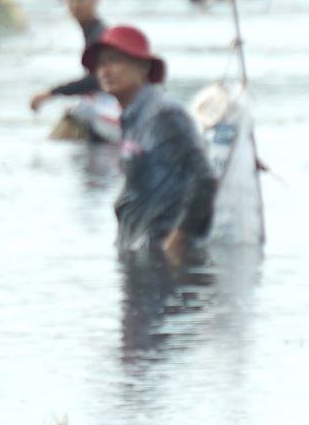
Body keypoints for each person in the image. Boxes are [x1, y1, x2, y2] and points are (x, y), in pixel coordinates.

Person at [85, 25, 217, 263]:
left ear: (143, 67)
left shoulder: (164, 114)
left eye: (115, 61)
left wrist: (177, 241)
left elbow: (204, 180)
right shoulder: (131, 117)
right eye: (100, 63)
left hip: (163, 259)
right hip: (138, 251)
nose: (105, 70)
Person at [30, 0, 107, 112]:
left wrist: (51, 93)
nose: (75, 3)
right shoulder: (92, 32)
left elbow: (97, 80)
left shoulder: (101, 36)